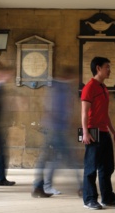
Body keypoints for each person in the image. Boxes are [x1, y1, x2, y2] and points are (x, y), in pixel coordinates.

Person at [81, 56, 115, 210]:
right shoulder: (90, 87)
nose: (110, 70)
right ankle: (89, 199)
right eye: (107, 67)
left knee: (107, 167)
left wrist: (113, 132)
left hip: (104, 131)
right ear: (98, 68)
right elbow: (84, 113)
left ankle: (107, 197)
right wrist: (85, 133)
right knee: (91, 168)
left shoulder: (103, 88)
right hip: (92, 130)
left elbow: (105, 114)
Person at [32, 66, 82, 198]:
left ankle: (40, 186)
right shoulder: (61, 88)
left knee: (53, 158)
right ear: (70, 76)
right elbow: (58, 109)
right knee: (70, 158)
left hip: (55, 127)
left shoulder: (56, 86)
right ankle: (82, 187)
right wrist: (66, 121)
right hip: (57, 128)